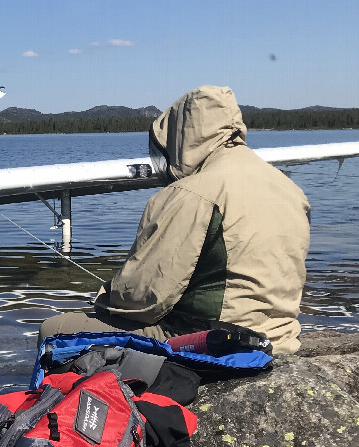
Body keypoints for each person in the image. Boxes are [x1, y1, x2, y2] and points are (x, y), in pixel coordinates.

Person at [39, 85, 311, 354]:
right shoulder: (288, 187)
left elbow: (142, 302)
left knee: (54, 330)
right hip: (280, 336)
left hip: (215, 341)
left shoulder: (190, 193)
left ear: (184, 136)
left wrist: (104, 297)